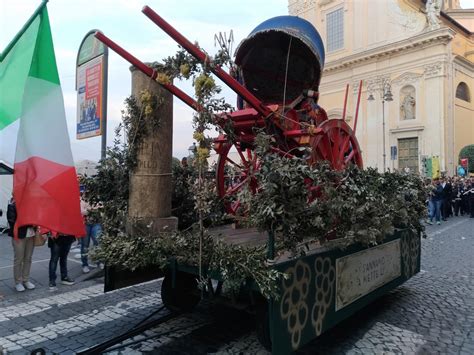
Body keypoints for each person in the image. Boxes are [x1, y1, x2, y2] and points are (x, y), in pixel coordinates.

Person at [6, 196, 36, 292]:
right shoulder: (12, 205)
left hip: (31, 235)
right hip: (18, 236)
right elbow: (12, 221)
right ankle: (18, 282)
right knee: (18, 259)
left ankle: (26, 280)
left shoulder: (31, 204)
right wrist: (29, 222)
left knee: (28, 258)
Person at [80, 196, 102, 273]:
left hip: (96, 223)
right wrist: (93, 208)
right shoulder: (82, 200)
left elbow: (101, 207)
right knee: (85, 245)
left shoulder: (97, 198)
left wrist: (88, 208)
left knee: (98, 242)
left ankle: (99, 261)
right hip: (85, 224)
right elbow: (82, 211)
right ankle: (85, 264)